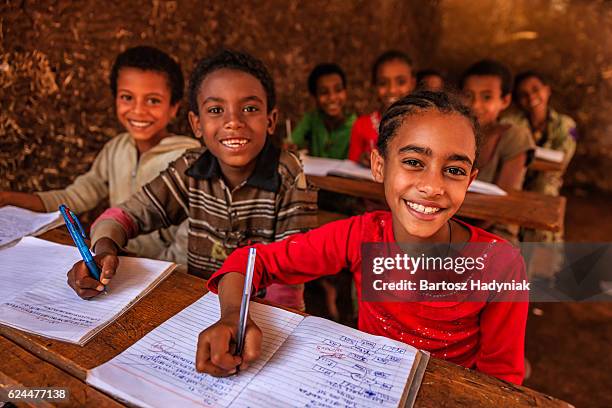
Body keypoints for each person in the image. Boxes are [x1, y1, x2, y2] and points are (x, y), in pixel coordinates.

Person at [197, 91, 528, 385]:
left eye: (454, 170)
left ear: (470, 180)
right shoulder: (361, 237)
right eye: (414, 162)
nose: (432, 187)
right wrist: (230, 317)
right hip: (368, 387)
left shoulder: (499, 265)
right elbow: (250, 262)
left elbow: (501, 381)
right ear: (379, 166)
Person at [66, 50, 318, 310]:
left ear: (271, 120)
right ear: (196, 124)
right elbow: (124, 216)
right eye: (216, 109)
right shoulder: (191, 168)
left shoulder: (287, 174)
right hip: (196, 306)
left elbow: (290, 275)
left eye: (250, 108)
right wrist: (105, 251)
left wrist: (267, 322)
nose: (233, 121)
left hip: (259, 314)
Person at [0, 46, 200, 262]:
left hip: (164, 271)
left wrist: (144, 270)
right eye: (127, 97)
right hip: (116, 258)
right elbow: (75, 197)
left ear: (174, 108)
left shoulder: (187, 160)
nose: (138, 110)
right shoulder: (117, 148)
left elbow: (189, 240)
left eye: (153, 100)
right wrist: (7, 198)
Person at [460, 59, 535, 243]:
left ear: (505, 100)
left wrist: (456, 238)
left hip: (494, 232)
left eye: (487, 97)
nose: (476, 105)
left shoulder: (515, 137)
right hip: (452, 225)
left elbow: (499, 208)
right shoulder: (455, 133)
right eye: (469, 95)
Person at [348, 50, 416, 167]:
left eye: (401, 82)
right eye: (383, 83)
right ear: (374, 87)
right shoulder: (361, 125)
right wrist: (361, 161)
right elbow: (349, 168)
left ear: (412, 83)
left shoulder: (424, 126)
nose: (392, 90)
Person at [290, 63, 356, 159]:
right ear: (314, 97)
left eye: (338, 90)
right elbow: (293, 141)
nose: (332, 98)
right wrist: (290, 146)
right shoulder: (311, 119)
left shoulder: (356, 125)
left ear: (346, 92)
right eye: (324, 92)